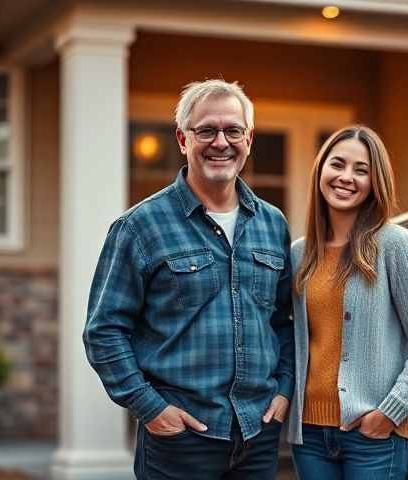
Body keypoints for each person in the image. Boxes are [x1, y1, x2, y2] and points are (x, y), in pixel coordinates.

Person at [83, 79, 293, 480]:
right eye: (206, 131)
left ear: (248, 139)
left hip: (258, 435)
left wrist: (283, 389)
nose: (221, 142)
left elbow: (284, 322)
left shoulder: (272, 224)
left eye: (233, 130)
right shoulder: (139, 227)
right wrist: (151, 408)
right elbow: (104, 330)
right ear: (183, 139)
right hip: (179, 441)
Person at [287, 125, 408, 479]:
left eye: (361, 170)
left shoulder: (394, 245)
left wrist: (390, 412)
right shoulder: (299, 254)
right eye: (337, 164)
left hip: (373, 435)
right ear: (320, 171)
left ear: (376, 183)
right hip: (309, 434)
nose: (346, 177)